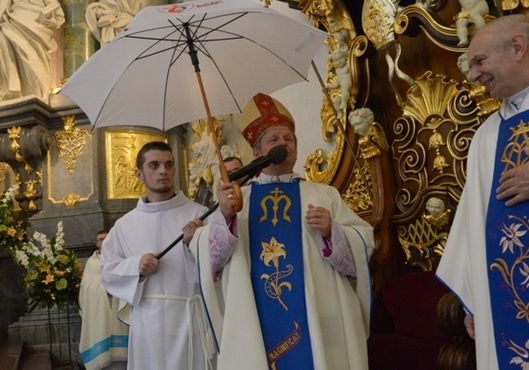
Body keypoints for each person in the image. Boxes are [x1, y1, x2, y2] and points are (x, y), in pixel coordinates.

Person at [191, 93, 374, 369]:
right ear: (256, 153)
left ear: (296, 150)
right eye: (273, 140)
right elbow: (210, 260)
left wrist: (332, 232)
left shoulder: (325, 195)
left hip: (316, 322)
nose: (283, 144)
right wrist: (225, 219)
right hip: (255, 320)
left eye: (288, 139)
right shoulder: (238, 201)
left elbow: (361, 250)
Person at [436, 14, 529, 369]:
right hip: (506, 305)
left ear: (518, 47)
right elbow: (472, 225)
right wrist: (477, 299)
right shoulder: (487, 135)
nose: (473, 75)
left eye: (479, 61)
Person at [101, 141, 215, 369]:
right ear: (139, 174)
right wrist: (136, 266)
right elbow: (108, 271)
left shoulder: (199, 214)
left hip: (189, 317)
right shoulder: (125, 225)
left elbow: (221, 264)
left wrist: (197, 244)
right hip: (148, 323)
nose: (163, 170)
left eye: (169, 165)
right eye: (154, 165)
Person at [0, 0, 65, 103]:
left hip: (34, 21)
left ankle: (38, 94)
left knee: (30, 59)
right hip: (13, 19)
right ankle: (11, 89)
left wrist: (51, 21)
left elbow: (57, 12)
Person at [79, 230, 128, 370]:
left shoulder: (120, 259)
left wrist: (116, 288)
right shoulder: (92, 263)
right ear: (96, 243)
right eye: (100, 239)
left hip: (119, 305)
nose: (103, 241)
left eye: (106, 238)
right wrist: (103, 290)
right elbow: (87, 288)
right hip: (100, 309)